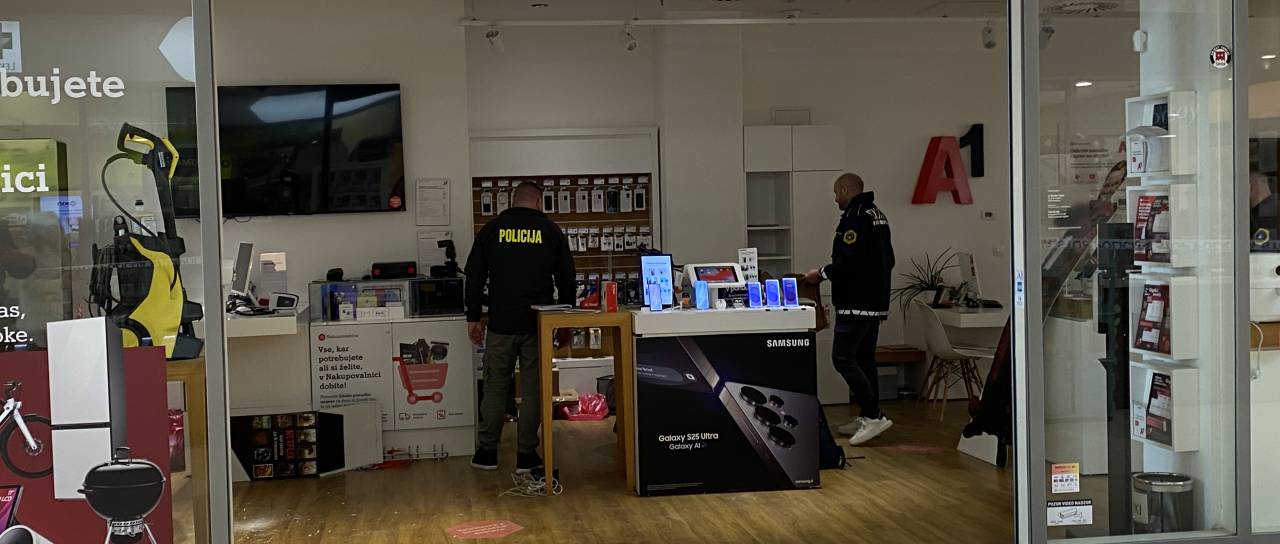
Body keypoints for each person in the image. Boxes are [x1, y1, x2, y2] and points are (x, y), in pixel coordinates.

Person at [465, 181, 576, 473]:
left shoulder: (491, 230)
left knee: (494, 385)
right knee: (533, 389)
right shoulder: (551, 232)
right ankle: (526, 455)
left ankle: (487, 452)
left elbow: (474, 276)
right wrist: (565, 321)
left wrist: (473, 318)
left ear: (512, 200)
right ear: (539, 202)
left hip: (500, 323)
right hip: (537, 324)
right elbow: (567, 278)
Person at [804, 173, 895, 446]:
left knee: (842, 357)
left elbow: (848, 262)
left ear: (845, 190)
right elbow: (888, 259)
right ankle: (867, 414)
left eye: (836, 193)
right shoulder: (877, 214)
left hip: (856, 302)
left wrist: (821, 274)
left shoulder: (856, 217)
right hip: (875, 301)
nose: (835, 199)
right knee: (864, 359)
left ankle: (873, 415)